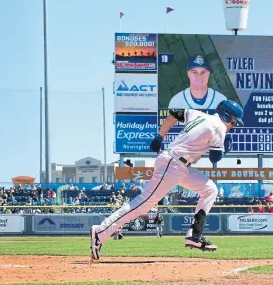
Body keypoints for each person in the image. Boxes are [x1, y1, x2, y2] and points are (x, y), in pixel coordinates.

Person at [89, 99, 244, 260]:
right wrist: (225, 149)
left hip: (180, 165)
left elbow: (174, 114)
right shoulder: (219, 127)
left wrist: (159, 136)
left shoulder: (198, 114)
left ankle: (194, 235)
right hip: (173, 164)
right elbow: (215, 157)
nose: (234, 126)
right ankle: (100, 231)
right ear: (227, 116)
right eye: (234, 122)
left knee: (210, 189)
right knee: (144, 203)